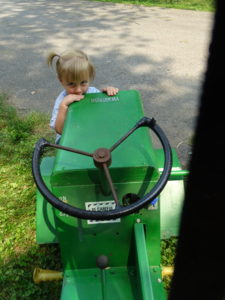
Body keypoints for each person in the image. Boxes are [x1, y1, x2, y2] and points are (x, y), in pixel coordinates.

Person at [48, 49, 119, 143]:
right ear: (61, 80)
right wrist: (63, 106)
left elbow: (105, 113)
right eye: (71, 84)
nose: (78, 90)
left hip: (90, 134)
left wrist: (107, 94)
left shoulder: (93, 92)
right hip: (68, 141)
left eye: (83, 83)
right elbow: (59, 130)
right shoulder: (62, 100)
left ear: (89, 77)